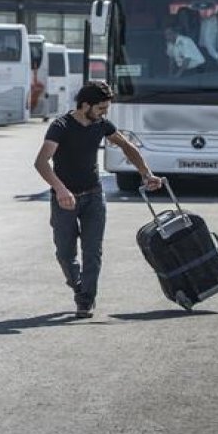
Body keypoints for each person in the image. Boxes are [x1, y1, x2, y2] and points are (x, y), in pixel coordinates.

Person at [33, 81, 163, 319]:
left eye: (106, 109)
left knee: (93, 251)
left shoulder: (101, 125)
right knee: (65, 253)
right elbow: (41, 162)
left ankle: (86, 299)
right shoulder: (60, 126)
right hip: (65, 199)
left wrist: (147, 173)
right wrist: (61, 190)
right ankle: (79, 285)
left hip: (94, 196)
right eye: (101, 108)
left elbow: (127, 146)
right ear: (85, 105)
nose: (104, 113)